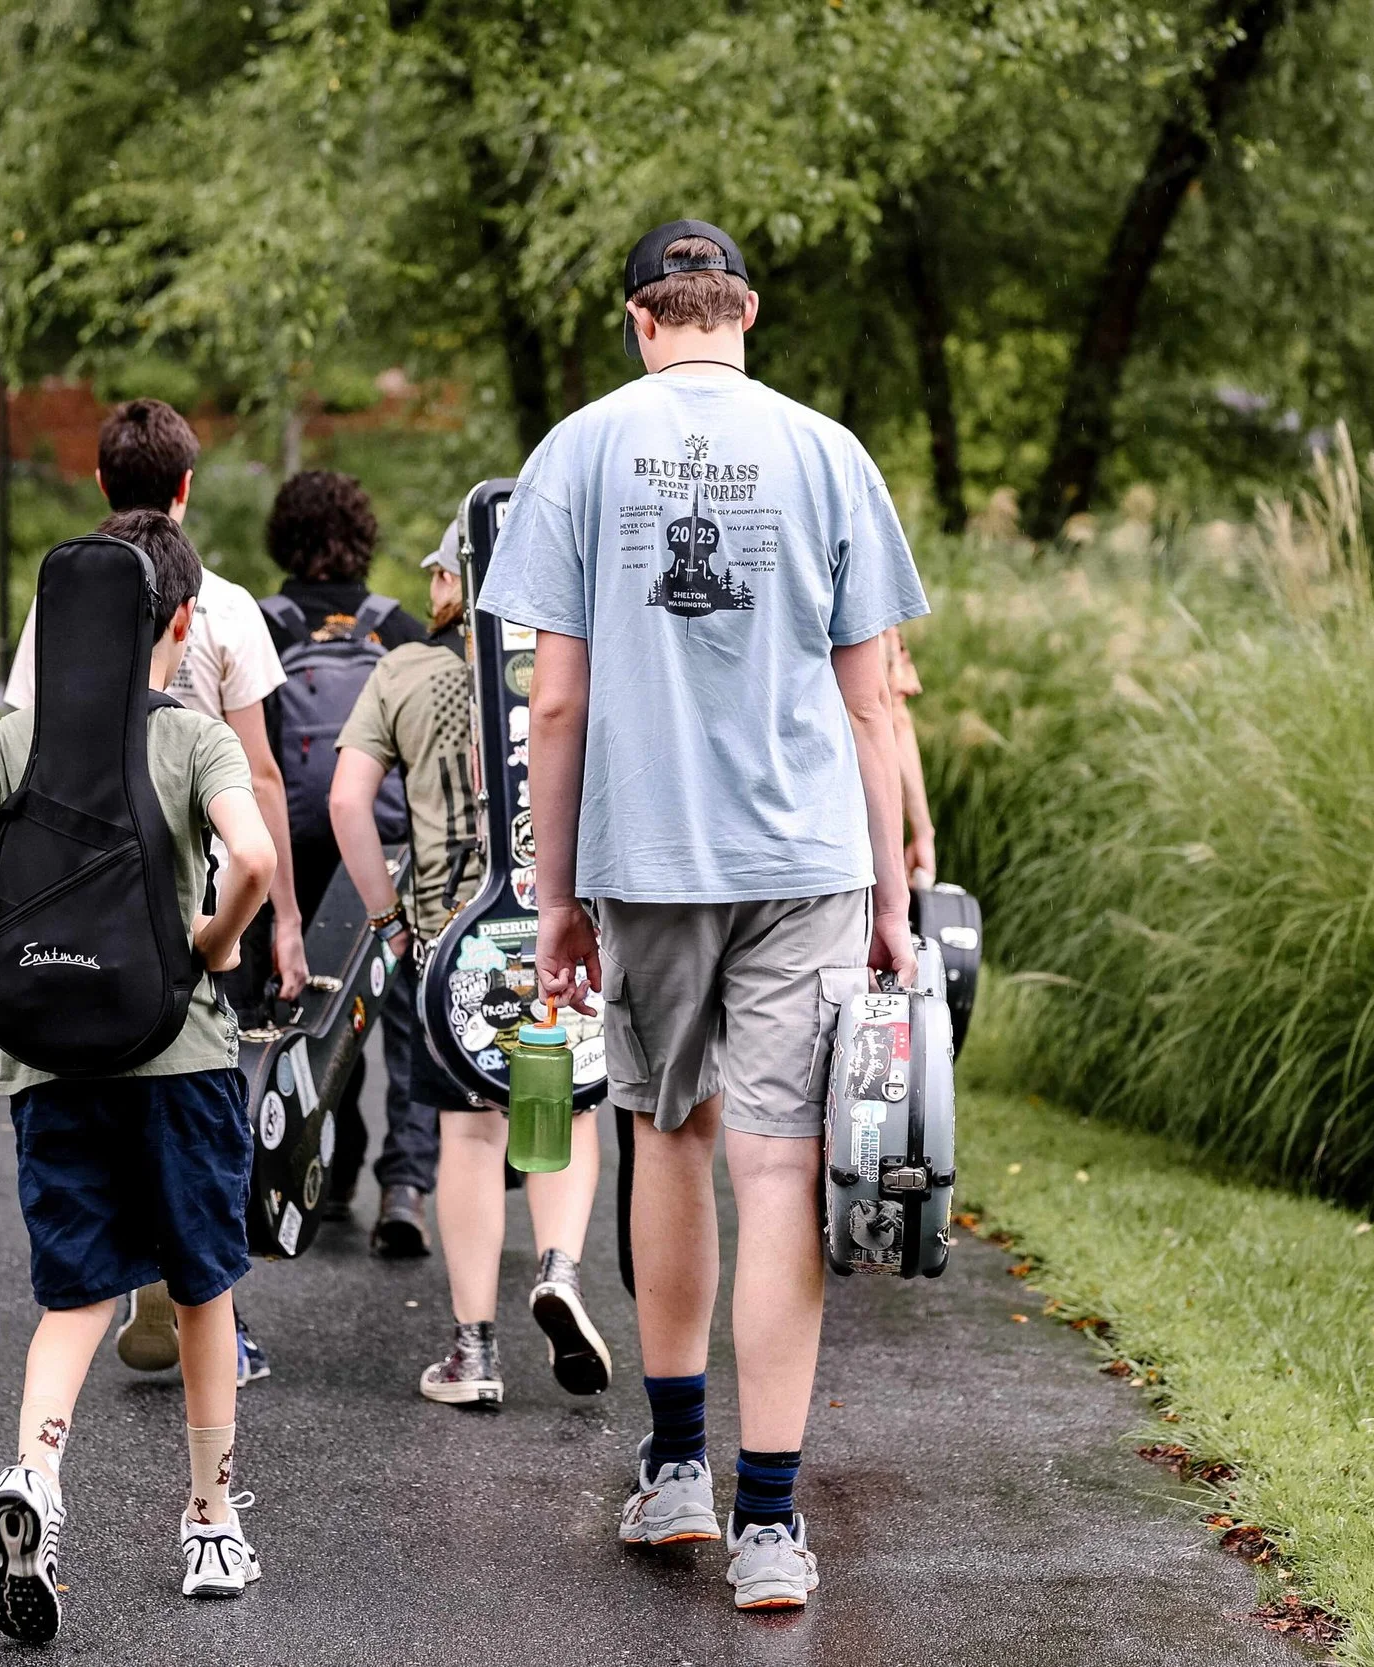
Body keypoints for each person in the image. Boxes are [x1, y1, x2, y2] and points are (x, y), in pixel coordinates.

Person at [476, 220, 927, 1612]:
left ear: (639, 318)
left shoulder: (577, 450)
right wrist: (894, 896)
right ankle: (772, 1524)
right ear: (746, 311)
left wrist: (554, 894)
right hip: (806, 855)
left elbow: (555, 701)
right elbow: (872, 702)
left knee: (669, 1133)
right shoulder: (829, 452)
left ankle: (677, 1470)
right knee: (782, 1169)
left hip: (650, 854)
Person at [0, 508, 278, 1635]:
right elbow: (253, 856)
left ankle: (36, 1476)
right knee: (200, 1286)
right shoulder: (193, 738)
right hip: (179, 1057)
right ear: (179, 621)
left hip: (48, 1060)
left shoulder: (19, 741)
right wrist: (212, 944)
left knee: (74, 1293)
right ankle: (210, 1520)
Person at [0, 397, 301, 1379]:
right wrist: (281, 918)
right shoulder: (225, 604)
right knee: (199, 1089)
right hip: (199, 898)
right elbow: (262, 775)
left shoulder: (59, 601)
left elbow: (29, 745)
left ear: (99, 483)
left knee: (94, 1081)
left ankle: (120, 1271)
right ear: (186, 486)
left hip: (81, 903)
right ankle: (206, 1299)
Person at [330, 523, 611, 1403]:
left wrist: (389, 918)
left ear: (457, 581)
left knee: (470, 1131)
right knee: (567, 1106)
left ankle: (474, 1352)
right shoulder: (575, 662)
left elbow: (346, 801)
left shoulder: (405, 671)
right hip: (564, 928)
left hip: (455, 940)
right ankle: (558, 1269)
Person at [257, 470, 436, 1250]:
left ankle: (328, 1163)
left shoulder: (263, 627)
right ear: (363, 536)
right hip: (387, 842)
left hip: (295, 845)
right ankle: (407, 1184)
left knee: (320, 999)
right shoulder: (397, 628)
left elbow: (255, 756)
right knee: (403, 1012)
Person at [887, 626, 937, 886]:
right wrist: (922, 832)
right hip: (841, 833)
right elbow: (891, 717)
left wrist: (923, 832)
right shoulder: (870, 612)